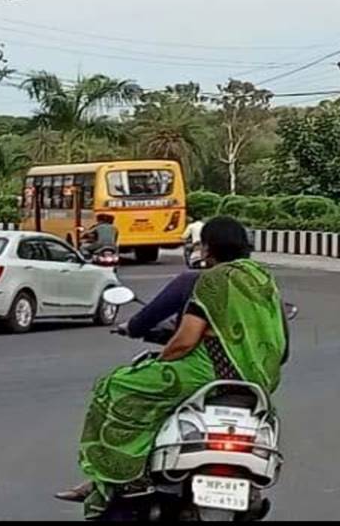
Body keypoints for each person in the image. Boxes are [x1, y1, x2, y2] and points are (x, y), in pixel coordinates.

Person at [57, 217, 287, 517]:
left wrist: (163, 358)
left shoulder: (213, 281)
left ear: (207, 248)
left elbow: (185, 339)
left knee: (115, 385)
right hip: (258, 380)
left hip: (210, 371)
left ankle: (121, 476)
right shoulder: (263, 280)